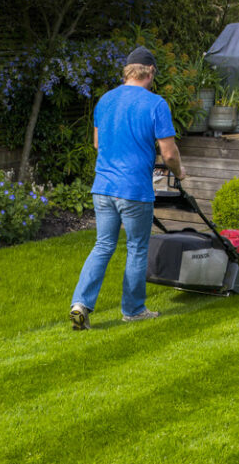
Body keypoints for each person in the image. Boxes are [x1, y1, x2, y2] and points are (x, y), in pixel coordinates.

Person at [69, 46, 186, 331]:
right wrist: (180, 172)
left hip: (103, 187)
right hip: (133, 189)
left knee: (104, 245)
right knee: (136, 247)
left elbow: (98, 144)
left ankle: (80, 304)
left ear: (127, 72)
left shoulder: (105, 101)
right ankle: (133, 310)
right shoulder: (156, 104)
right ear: (151, 72)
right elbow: (169, 154)